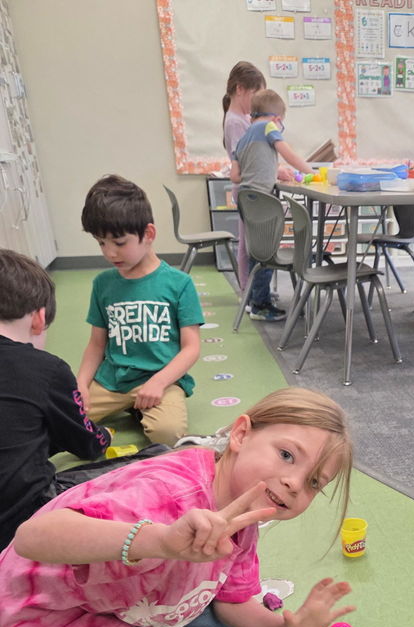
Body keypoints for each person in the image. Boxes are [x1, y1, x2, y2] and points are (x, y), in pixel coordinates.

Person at [0, 387, 355, 627]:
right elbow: (31, 538)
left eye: (313, 482)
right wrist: (161, 540)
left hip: (108, 598)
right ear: (241, 435)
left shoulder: (244, 511)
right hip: (43, 616)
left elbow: (233, 602)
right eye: (287, 455)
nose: (295, 482)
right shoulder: (167, 492)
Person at [76, 174, 203, 447]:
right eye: (101, 243)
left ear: (148, 234)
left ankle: (141, 406)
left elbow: (191, 348)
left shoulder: (180, 284)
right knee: (67, 417)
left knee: (167, 433)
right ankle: (132, 407)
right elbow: (96, 345)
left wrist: (159, 382)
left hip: (161, 379)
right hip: (112, 382)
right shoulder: (103, 284)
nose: (110, 253)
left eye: (119, 243)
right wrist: (82, 385)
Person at [0, 249, 111, 551]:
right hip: (21, 531)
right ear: (39, 318)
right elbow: (87, 444)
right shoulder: (47, 369)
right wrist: (105, 435)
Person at [230, 89, 312, 322]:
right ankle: (260, 305)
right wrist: (314, 173)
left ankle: (258, 298)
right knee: (267, 254)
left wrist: (264, 171)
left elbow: (235, 176)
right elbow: (289, 154)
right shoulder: (268, 127)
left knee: (259, 252)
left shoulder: (243, 139)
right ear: (276, 118)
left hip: (247, 199)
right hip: (264, 200)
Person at [222, 60, 267, 287]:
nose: (258, 103)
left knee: (248, 243)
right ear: (240, 89)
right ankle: (248, 290)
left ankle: (249, 290)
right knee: (249, 245)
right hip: (248, 191)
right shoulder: (235, 123)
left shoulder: (240, 120)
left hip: (248, 190)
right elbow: (244, 162)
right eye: (255, 95)